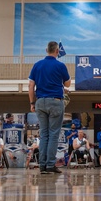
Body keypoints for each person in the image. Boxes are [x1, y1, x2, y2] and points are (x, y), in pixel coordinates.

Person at [27, 40, 70, 174]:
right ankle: (50, 165)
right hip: (56, 102)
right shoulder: (60, 66)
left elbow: (30, 86)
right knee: (53, 135)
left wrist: (32, 103)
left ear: (46, 50)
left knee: (44, 135)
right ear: (57, 51)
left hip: (40, 101)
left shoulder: (37, 65)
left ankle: (42, 166)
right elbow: (67, 84)